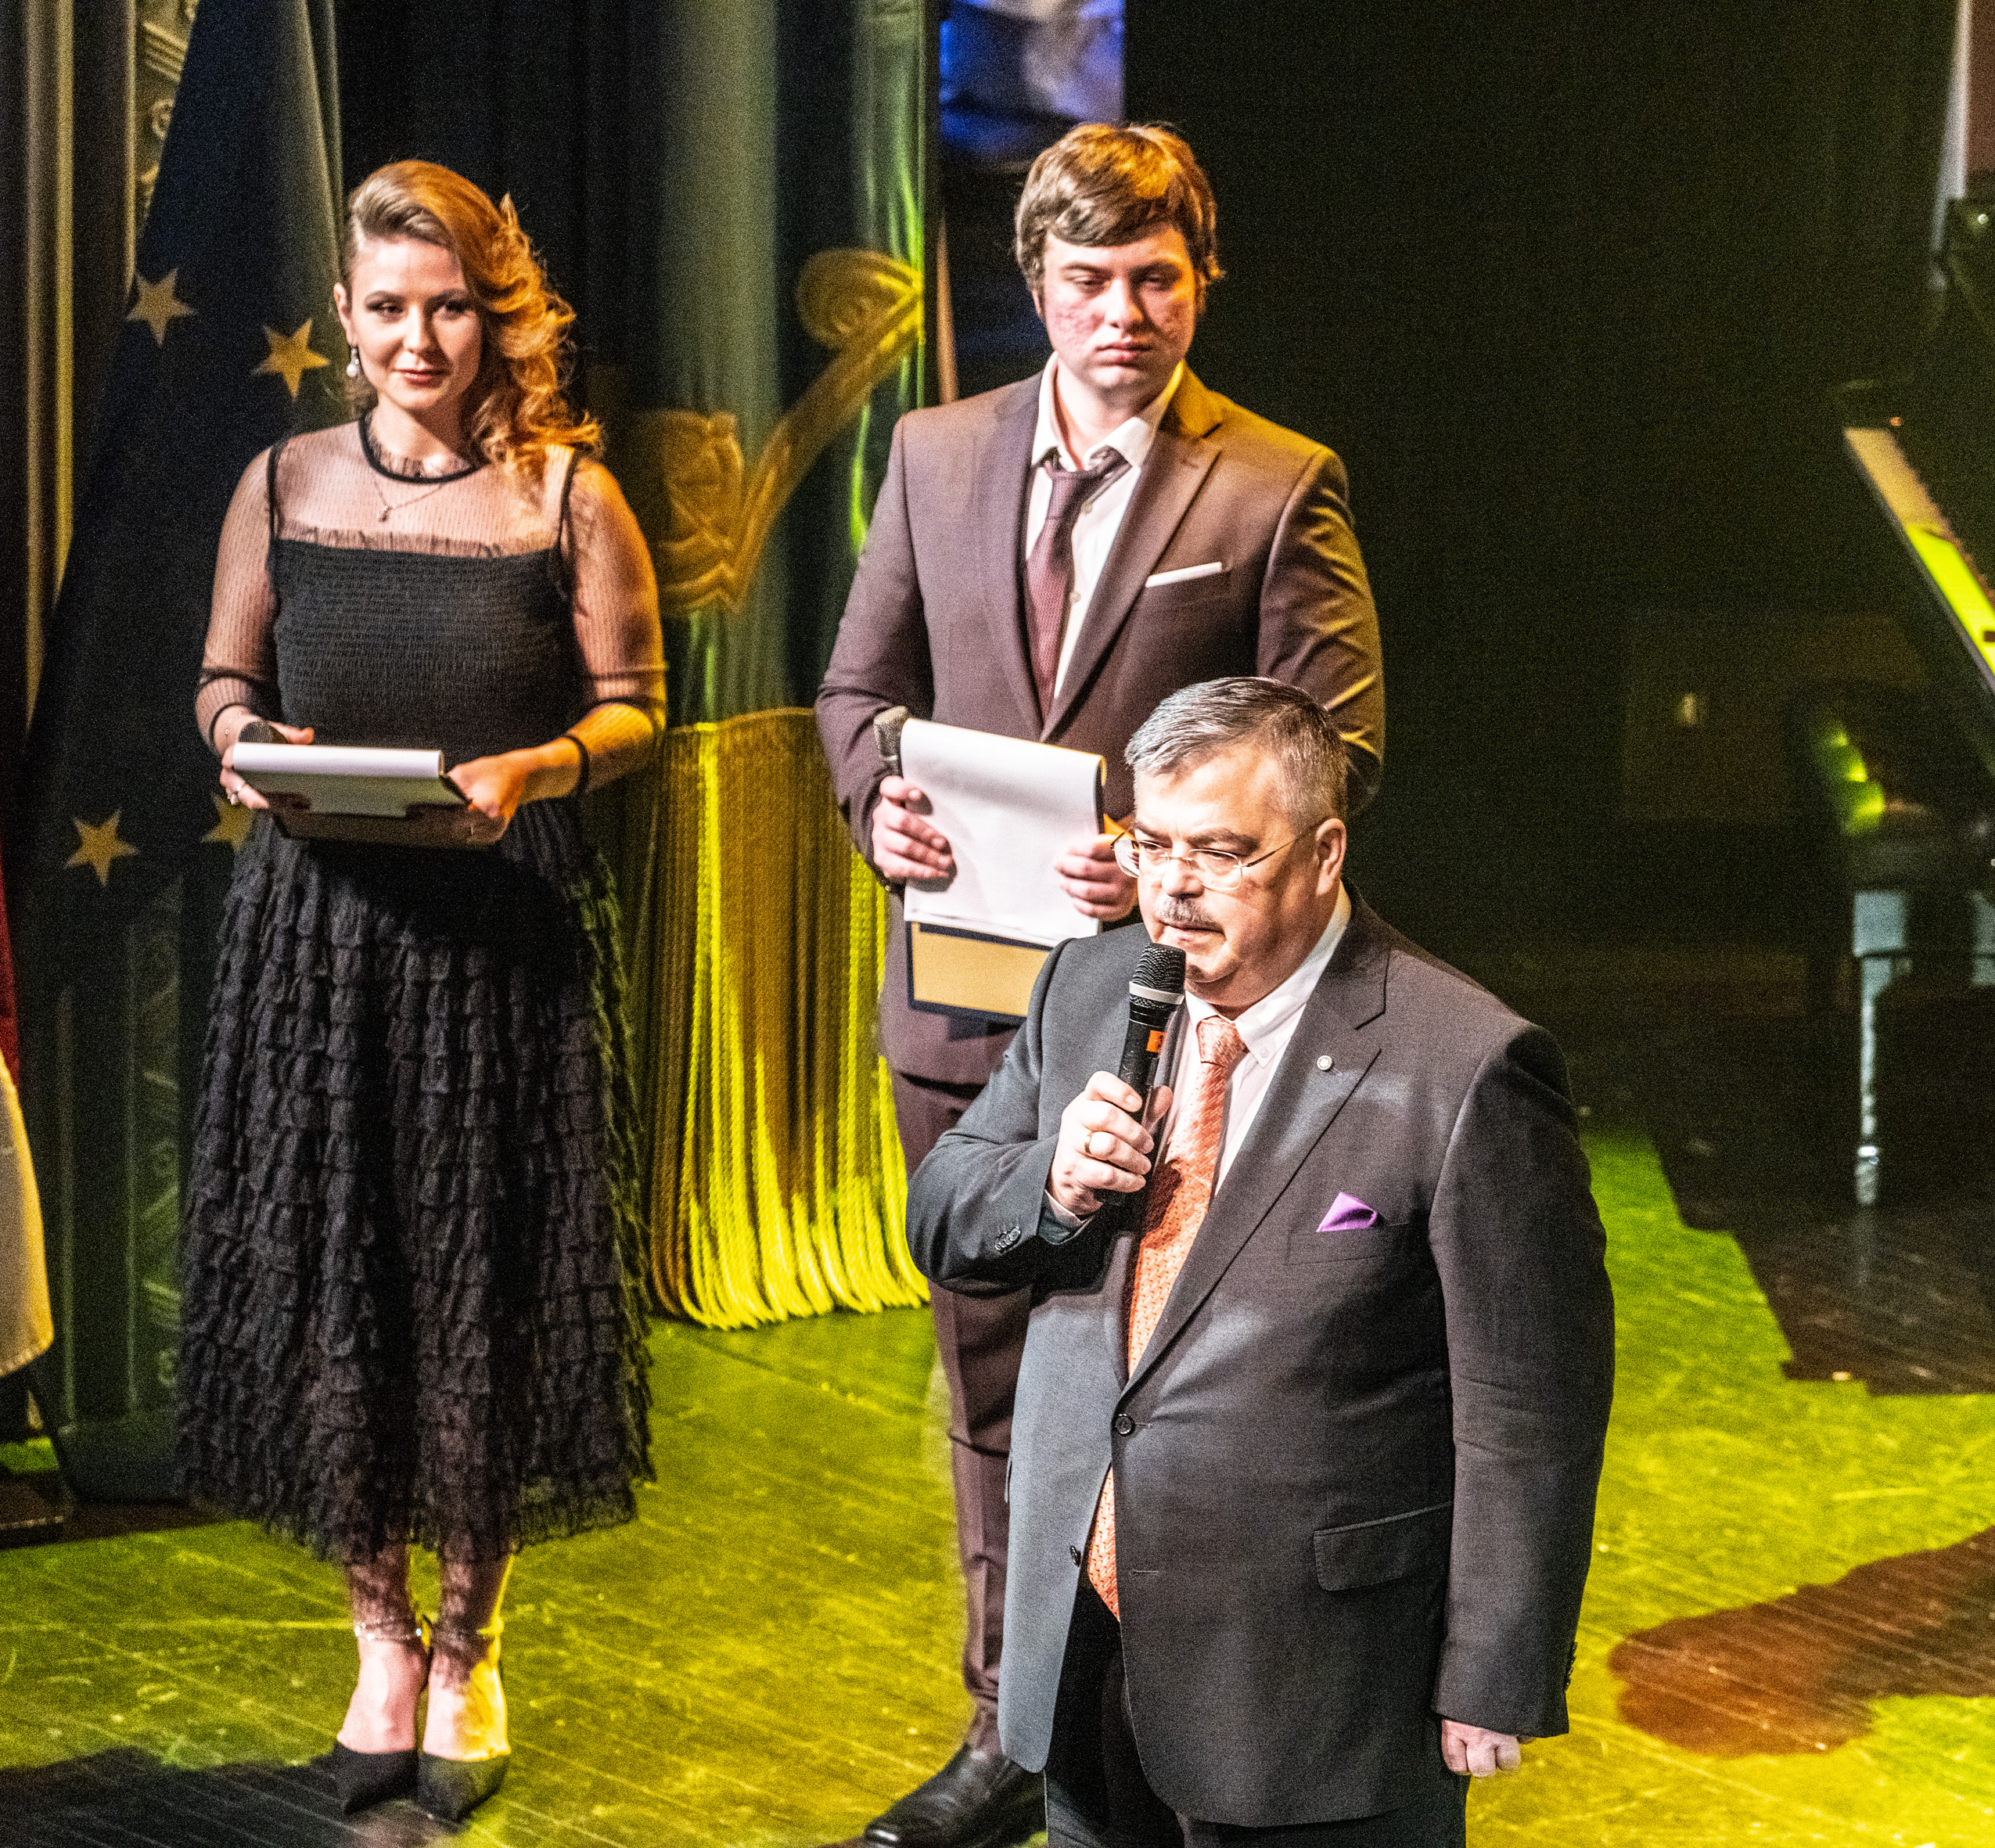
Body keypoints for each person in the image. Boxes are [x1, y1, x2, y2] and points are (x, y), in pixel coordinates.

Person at [814, 124, 1383, 1848]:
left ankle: (1169, 1715)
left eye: (1154, 277)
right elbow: (856, 691)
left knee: (1160, 1379)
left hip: (1173, 1018)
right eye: (1087, 279)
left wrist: (1162, 849)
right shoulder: (933, 452)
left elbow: (1338, 745)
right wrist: (877, 798)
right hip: (962, 1003)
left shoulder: (1274, 482)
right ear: (1036, 285)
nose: (1121, 312)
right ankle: (1011, 1719)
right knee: (989, 1382)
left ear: (1201, 281)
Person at [909, 678, 1611, 1848]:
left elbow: (1529, 1400)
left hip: (1310, 1694)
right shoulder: (1089, 987)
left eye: (1223, 853)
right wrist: (1052, 1180)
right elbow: (942, 1212)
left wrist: (1497, 1667)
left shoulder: (1465, 1064)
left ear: (1325, 853)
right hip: (1085, 1649)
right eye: (1151, 844)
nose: (1173, 887)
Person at [178, 160, 663, 1822]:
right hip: (317, 947)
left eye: (448, 306)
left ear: (494, 314)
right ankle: (376, 1642)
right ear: (344, 314)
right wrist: (242, 742)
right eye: (387, 308)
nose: (418, 339)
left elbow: (636, 703)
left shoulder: (567, 497)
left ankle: (470, 1647)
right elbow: (223, 676)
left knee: (477, 1308)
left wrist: (542, 765)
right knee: (342, 1299)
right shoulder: (281, 481)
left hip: (494, 948)